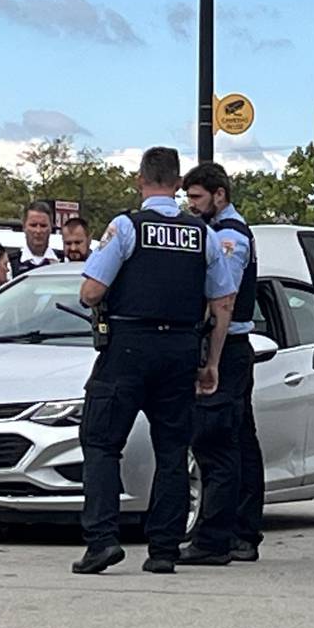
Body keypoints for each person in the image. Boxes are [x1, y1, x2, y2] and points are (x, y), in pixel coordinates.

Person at [72, 147, 237, 576]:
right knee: (172, 449)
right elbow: (223, 302)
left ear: (139, 180)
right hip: (180, 349)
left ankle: (102, 541)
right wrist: (212, 361)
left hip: (128, 347)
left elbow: (90, 291)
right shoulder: (203, 234)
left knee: (101, 442)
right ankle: (163, 549)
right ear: (179, 184)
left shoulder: (126, 227)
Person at [180, 162, 264, 565]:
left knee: (215, 442)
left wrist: (210, 359)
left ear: (219, 194)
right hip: (233, 348)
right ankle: (240, 533)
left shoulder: (228, 236)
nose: (191, 205)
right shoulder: (222, 230)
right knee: (239, 442)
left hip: (226, 346)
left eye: (196, 197)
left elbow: (222, 301)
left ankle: (216, 538)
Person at [9, 201, 57, 274]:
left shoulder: (63, 261)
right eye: (33, 225)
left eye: (43, 226)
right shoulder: (10, 265)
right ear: (24, 227)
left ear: (51, 228)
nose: (38, 231)